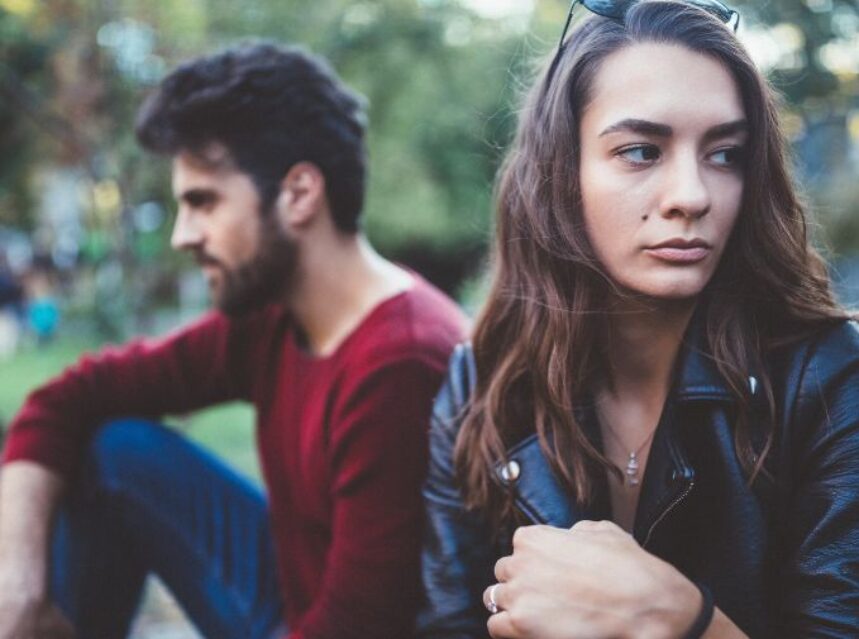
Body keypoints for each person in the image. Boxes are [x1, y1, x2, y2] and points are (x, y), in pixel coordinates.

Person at [418, 2, 859, 638]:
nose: (692, 195)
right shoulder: (482, 386)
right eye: (640, 151)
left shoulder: (827, 377)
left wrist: (683, 622)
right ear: (561, 171)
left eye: (726, 154)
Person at [0, 42, 467, 638]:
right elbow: (64, 400)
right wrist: (18, 589)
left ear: (299, 193)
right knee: (118, 450)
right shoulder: (273, 314)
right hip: (296, 604)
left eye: (203, 202)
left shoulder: (402, 363)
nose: (181, 236)